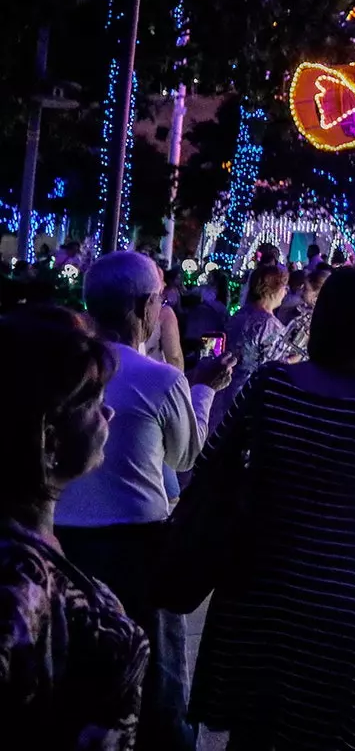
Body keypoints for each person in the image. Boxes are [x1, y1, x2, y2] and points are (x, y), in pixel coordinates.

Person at [186, 267, 355, 750]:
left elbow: (211, 462)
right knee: (327, 732)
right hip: (338, 598)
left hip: (260, 582)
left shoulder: (271, 386)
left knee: (254, 731)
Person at [55, 252, 233, 751]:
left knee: (77, 675)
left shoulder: (69, 365)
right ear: (144, 307)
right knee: (157, 680)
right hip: (138, 544)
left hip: (64, 539)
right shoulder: (158, 378)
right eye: (159, 298)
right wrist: (202, 391)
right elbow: (185, 454)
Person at [0, 307, 149, 749]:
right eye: (93, 402)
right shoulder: (20, 586)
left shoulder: (29, 549)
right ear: (47, 436)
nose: (109, 414)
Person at [211, 262, 293, 431]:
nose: (285, 292)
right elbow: (275, 365)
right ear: (274, 290)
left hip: (226, 387)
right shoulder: (269, 325)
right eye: (284, 287)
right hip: (250, 392)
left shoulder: (241, 314)